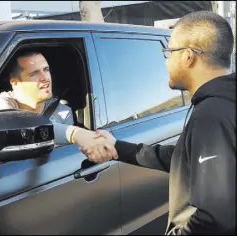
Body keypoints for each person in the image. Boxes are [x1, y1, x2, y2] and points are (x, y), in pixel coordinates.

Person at [80, 11, 236, 235]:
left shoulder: (212, 116)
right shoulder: (225, 102)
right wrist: (118, 149)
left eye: (168, 52)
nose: (166, 62)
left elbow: (215, 218)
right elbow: (184, 158)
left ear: (188, 57)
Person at [0, 49, 105, 148]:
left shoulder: (62, 112)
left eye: (46, 70)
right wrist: (75, 134)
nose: (45, 78)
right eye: (34, 73)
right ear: (15, 83)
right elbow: (17, 123)